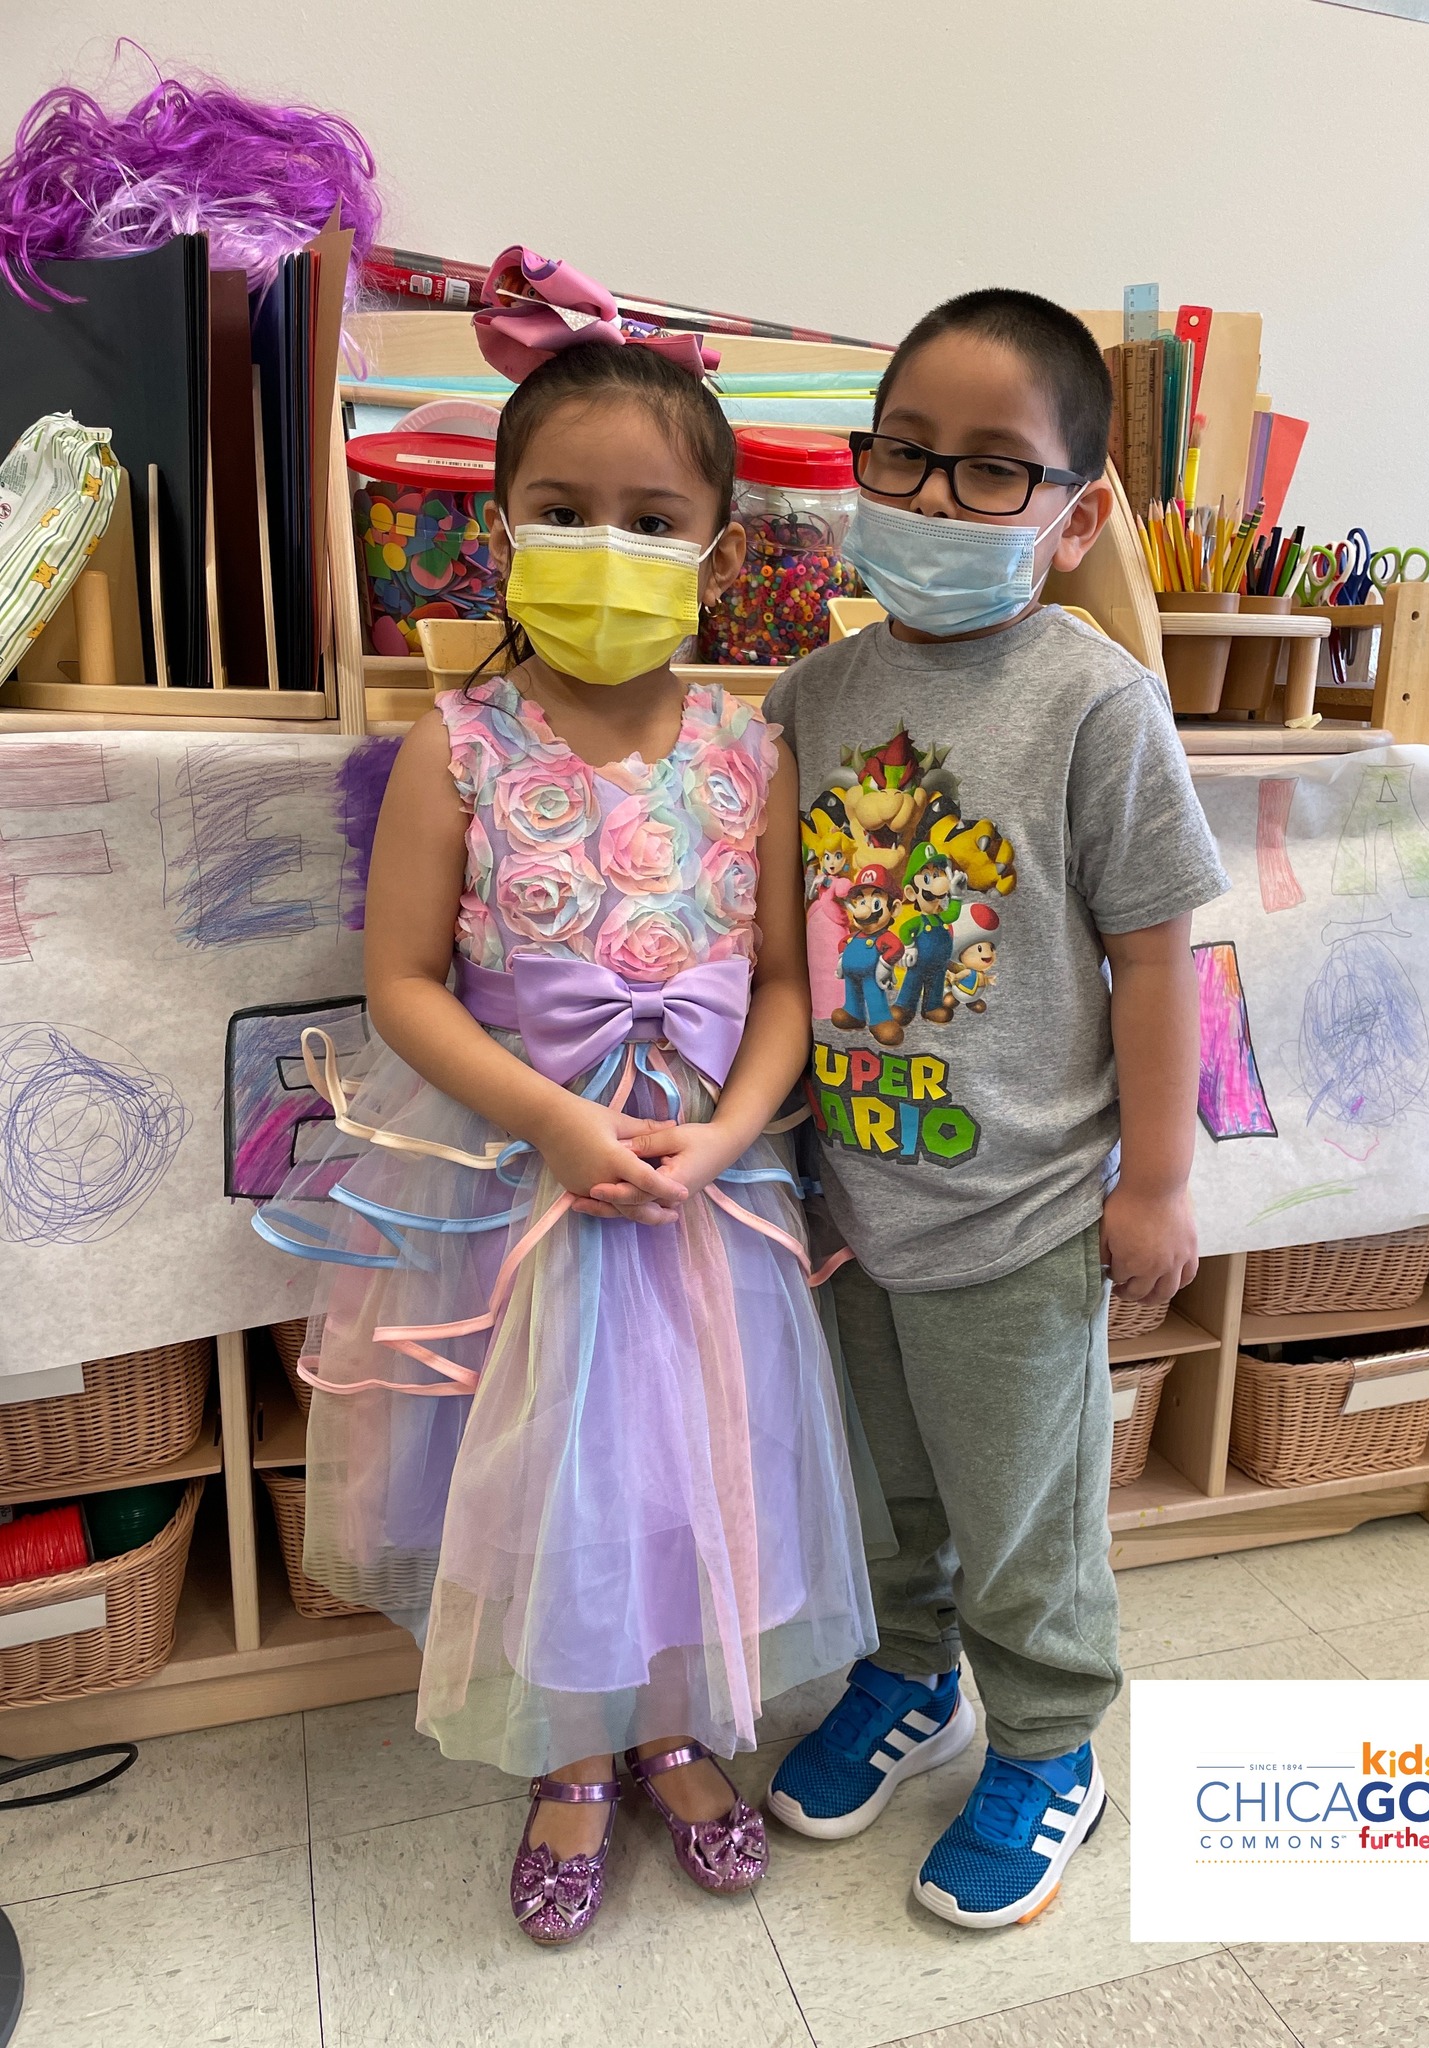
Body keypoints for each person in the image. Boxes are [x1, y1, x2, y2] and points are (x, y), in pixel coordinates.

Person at [255, 333, 874, 1947]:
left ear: (718, 546)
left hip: (709, 1194)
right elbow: (400, 981)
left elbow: (792, 982)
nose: (612, 546)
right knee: (553, 1480)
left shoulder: (757, 752)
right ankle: (574, 1753)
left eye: (655, 517)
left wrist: (733, 1131)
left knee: (693, 1473)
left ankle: (676, 1720)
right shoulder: (459, 749)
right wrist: (555, 1119)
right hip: (522, 1183)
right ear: (504, 524)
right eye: (565, 508)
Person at [764, 289, 1230, 1929]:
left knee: (1024, 1511)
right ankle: (910, 1675)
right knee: (888, 1485)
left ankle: (1046, 1741)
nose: (937, 499)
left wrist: (1155, 1181)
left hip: (1026, 1214)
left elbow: (1159, 957)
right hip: (852, 1200)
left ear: (1079, 510)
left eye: (991, 471)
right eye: (907, 457)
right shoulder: (811, 699)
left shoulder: (1096, 701)